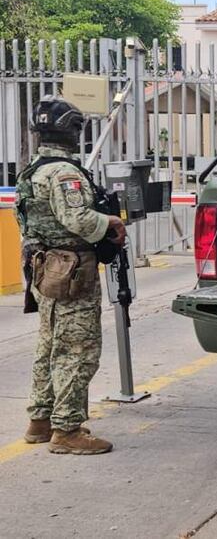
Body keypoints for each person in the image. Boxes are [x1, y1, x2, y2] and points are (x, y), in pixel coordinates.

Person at [15, 98, 126, 455]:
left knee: (49, 346)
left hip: (45, 267)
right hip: (73, 271)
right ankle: (67, 430)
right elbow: (78, 220)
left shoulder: (31, 170)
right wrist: (111, 221)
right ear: (72, 131)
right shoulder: (64, 173)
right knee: (78, 350)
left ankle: (40, 421)